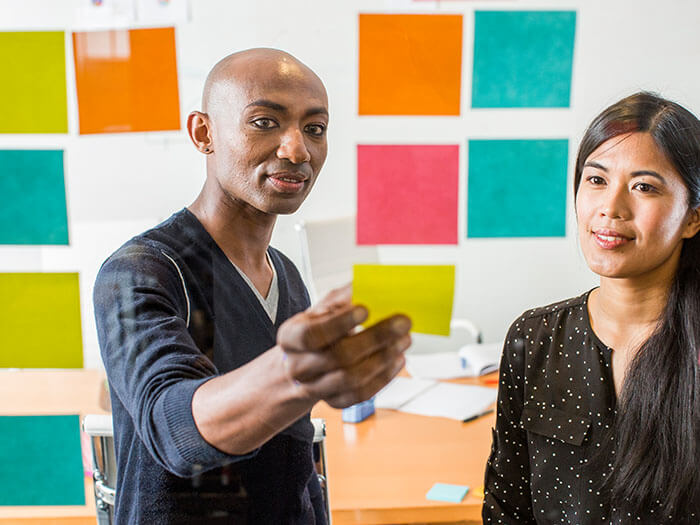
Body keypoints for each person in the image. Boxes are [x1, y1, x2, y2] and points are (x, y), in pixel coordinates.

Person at [93, 48, 412, 524]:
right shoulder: (141, 272)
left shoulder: (285, 274)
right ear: (204, 133)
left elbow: (295, 462)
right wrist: (294, 374)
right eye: (265, 122)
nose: (297, 149)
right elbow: (171, 426)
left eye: (315, 128)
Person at [482, 92, 700, 524]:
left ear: (692, 217)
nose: (610, 208)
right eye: (596, 180)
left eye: (644, 187)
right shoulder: (535, 337)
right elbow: (507, 505)